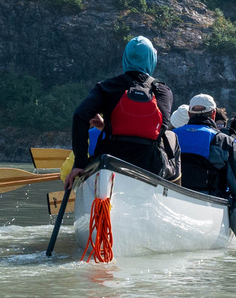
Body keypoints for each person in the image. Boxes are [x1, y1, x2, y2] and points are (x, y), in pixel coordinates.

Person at [64, 36, 179, 189]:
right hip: (150, 165)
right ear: (151, 59)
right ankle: (173, 197)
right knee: (173, 139)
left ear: (125, 58)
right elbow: (161, 127)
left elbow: (80, 115)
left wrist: (79, 163)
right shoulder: (162, 90)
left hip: (111, 162)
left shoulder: (106, 87)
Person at [175, 93, 236, 245]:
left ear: (189, 114)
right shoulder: (223, 141)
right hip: (210, 208)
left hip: (175, 204)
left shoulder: (170, 136)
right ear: (213, 114)